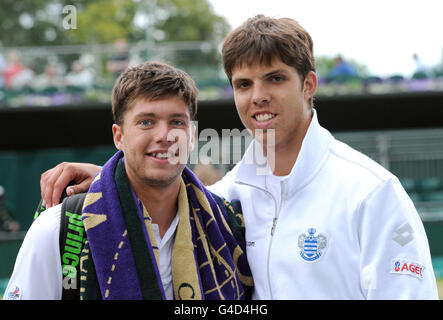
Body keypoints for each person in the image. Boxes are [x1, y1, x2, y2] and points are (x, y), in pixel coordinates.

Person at [38, 15, 438, 299]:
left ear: (309, 84)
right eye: (243, 84)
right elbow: (168, 190)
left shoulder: (371, 192)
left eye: (276, 78)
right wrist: (115, 177)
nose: (258, 95)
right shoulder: (229, 196)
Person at [4, 61, 252, 300]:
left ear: (192, 136)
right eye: (146, 122)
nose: (164, 135)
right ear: (119, 136)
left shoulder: (227, 223)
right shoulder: (60, 229)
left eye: (177, 122)